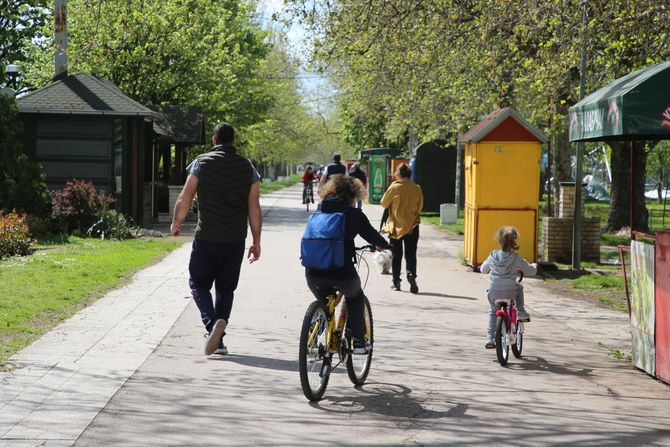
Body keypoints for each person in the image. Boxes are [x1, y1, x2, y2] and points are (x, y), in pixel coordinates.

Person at [171, 122, 262, 356]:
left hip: (207, 238)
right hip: (234, 240)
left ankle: (212, 326)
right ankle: (218, 339)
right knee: (226, 289)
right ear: (234, 141)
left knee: (198, 284)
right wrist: (256, 240)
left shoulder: (201, 163)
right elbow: (254, 207)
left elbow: (185, 196)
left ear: (213, 140)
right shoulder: (247, 167)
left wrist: (176, 222)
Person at [304, 175, 390, 353]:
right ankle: (358, 340)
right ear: (354, 194)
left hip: (312, 274)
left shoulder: (318, 213)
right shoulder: (354, 215)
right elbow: (372, 236)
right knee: (355, 296)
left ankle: (314, 336)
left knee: (324, 302)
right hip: (342, 273)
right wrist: (385, 245)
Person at [480, 226, 536, 349]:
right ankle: (520, 312)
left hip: (493, 292)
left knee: (493, 312)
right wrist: (535, 267)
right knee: (519, 287)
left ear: (499, 241)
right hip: (509, 291)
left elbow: (483, 269)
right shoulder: (516, 257)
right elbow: (530, 270)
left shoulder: (493, 255)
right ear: (514, 241)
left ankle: (490, 338)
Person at [381, 163, 423, 294]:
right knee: (410, 254)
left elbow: (384, 203)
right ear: (410, 174)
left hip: (395, 227)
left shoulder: (394, 187)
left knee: (396, 255)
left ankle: (396, 281)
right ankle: (411, 274)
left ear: (398, 174)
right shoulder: (417, 188)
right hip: (412, 226)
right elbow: (420, 207)